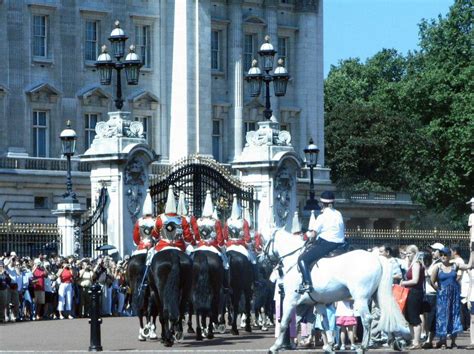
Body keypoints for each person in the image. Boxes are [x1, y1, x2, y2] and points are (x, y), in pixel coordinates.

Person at [297, 191, 345, 293]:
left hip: (327, 244)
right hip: (341, 243)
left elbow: (313, 234)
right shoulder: (338, 214)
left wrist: (304, 236)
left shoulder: (322, 217)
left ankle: (307, 284)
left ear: (322, 203)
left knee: (302, 259)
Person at [430, 246, 463, 349]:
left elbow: (469, 266)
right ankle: (443, 341)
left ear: (450, 256)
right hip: (442, 297)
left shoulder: (455, 265)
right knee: (442, 318)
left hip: (454, 297)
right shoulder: (438, 267)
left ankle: (453, 342)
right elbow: (432, 281)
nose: (443, 256)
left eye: (445, 254)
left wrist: (472, 251)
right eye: (441, 255)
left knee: (454, 317)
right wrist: (438, 290)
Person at [153, 186, 194, 252]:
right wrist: (188, 242)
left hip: (162, 246)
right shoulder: (182, 219)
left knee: (151, 258)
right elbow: (187, 236)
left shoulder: (159, 219)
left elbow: (155, 235)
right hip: (179, 246)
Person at [399, 244, 424, 349]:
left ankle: (417, 342)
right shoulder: (411, 264)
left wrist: (403, 283)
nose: (407, 255)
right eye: (407, 253)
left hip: (415, 292)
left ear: (414, 253)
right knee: (409, 318)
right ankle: (414, 340)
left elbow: (415, 280)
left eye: (409, 253)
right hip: (410, 292)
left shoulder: (416, 264)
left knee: (414, 318)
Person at [422, 242, 444, 349]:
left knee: (432, 317)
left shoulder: (440, 264)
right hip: (428, 293)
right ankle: (429, 338)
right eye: (432, 250)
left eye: (435, 250)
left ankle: (430, 339)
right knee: (427, 317)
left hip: (434, 293)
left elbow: (433, 279)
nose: (433, 252)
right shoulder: (433, 262)